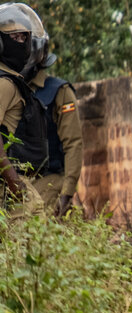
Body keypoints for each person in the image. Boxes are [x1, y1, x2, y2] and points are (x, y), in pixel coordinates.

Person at [23, 33, 83, 217]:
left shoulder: (58, 91)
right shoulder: (9, 90)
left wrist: (67, 192)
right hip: (15, 182)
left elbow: (73, 143)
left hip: (49, 179)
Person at [0, 3, 48, 218]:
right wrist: (13, 182)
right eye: (15, 38)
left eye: (24, 38)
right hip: (7, 186)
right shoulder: (5, 84)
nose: (22, 44)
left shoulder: (12, 80)